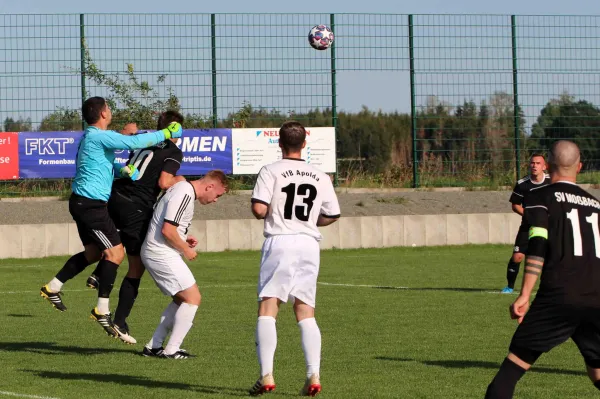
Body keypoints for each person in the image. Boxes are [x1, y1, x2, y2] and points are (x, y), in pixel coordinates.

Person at [39, 96, 183, 342]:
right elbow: (133, 141)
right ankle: (102, 311)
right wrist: (164, 133)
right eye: (109, 107)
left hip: (86, 203)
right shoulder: (97, 135)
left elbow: (99, 164)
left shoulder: (92, 138)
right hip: (91, 206)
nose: (111, 111)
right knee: (116, 253)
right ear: (103, 113)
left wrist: (121, 170)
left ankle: (53, 286)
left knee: (94, 253)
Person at [486, 140, 600, 398]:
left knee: (510, 372)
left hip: (560, 296)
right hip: (596, 297)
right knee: (597, 373)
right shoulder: (595, 204)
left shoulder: (539, 198)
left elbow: (537, 245)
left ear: (547, 166)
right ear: (579, 167)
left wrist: (525, 295)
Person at [248, 121, 340, 396]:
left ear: (279, 143)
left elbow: (258, 209)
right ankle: (313, 374)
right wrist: (311, 221)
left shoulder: (270, 170)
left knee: (268, 308)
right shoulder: (320, 176)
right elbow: (333, 214)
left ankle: (266, 375)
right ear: (304, 143)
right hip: (309, 244)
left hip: (280, 241)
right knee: (305, 310)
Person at [83, 110, 186, 345]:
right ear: (177, 130)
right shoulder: (173, 150)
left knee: (113, 242)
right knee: (136, 266)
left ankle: (98, 274)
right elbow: (163, 182)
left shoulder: (146, 141)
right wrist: (182, 180)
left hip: (115, 196)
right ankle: (119, 320)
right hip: (135, 206)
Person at [141, 170, 227, 359]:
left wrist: (183, 238)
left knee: (181, 299)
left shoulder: (182, 188)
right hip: (160, 253)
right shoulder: (185, 193)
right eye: (217, 195)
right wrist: (186, 249)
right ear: (209, 186)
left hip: (159, 251)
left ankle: (153, 346)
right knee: (193, 298)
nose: (215, 200)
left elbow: (168, 224)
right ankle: (172, 350)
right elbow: (167, 230)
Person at [502, 154, 550, 294]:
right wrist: (530, 216)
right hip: (528, 226)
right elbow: (515, 205)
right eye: (532, 163)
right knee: (517, 257)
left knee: (549, 257)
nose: (534, 166)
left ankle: (548, 287)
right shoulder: (522, 184)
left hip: (548, 227)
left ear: (544, 166)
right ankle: (510, 286)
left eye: (538, 163)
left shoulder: (551, 181)